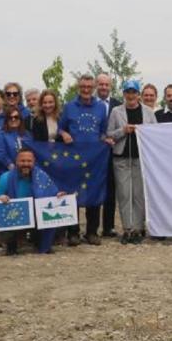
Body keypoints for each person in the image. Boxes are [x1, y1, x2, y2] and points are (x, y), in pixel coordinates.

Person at [59, 74, 111, 245]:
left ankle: (91, 232)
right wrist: (64, 133)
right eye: (83, 87)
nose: (86, 90)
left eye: (89, 87)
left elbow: (103, 130)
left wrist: (105, 139)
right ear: (78, 88)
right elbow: (60, 128)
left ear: (94, 87)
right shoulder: (69, 107)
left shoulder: (101, 107)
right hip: (73, 158)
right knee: (73, 194)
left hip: (94, 158)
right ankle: (73, 232)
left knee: (93, 193)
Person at [106, 80, 158, 244]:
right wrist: (123, 130)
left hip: (141, 158)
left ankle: (138, 228)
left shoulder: (149, 112)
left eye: (133, 92)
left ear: (138, 94)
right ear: (124, 94)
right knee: (124, 194)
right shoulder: (116, 111)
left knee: (139, 194)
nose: (130, 95)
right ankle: (127, 228)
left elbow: (156, 133)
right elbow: (109, 134)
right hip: (121, 157)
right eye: (127, 92)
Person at [0, 148, 67, 255]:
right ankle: (11, 245)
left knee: (54, 216)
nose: (26, 164)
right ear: (16, 161)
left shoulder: (42, 176)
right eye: (22, 161)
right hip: (15, 216)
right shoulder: (5, 177)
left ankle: (39, 242)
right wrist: (1, 198)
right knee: (5, 217)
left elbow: (52, 194)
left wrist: (58, 195)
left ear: (34, 162)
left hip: (36, 216)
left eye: (29, 161)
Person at [95, 72, 121, 239]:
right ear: (96, 86)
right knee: (96, 189)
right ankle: (93, 228)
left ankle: (108, 227)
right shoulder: (89, 104)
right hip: (95, 153)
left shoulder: (118, 105)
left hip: (113, 152)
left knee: (111, 190)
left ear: (111, 86)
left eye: (107, 85)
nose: (104, 87)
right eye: (101, 84)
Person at [0, 105, 29, 171]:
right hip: (7, 170)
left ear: (20, 119)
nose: (13, 119)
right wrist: (9, 164)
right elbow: (0, 154)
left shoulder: (27, 134)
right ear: (6, 120)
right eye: (10, 117)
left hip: (26, 170)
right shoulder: (1, 135)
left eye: (16, 117)